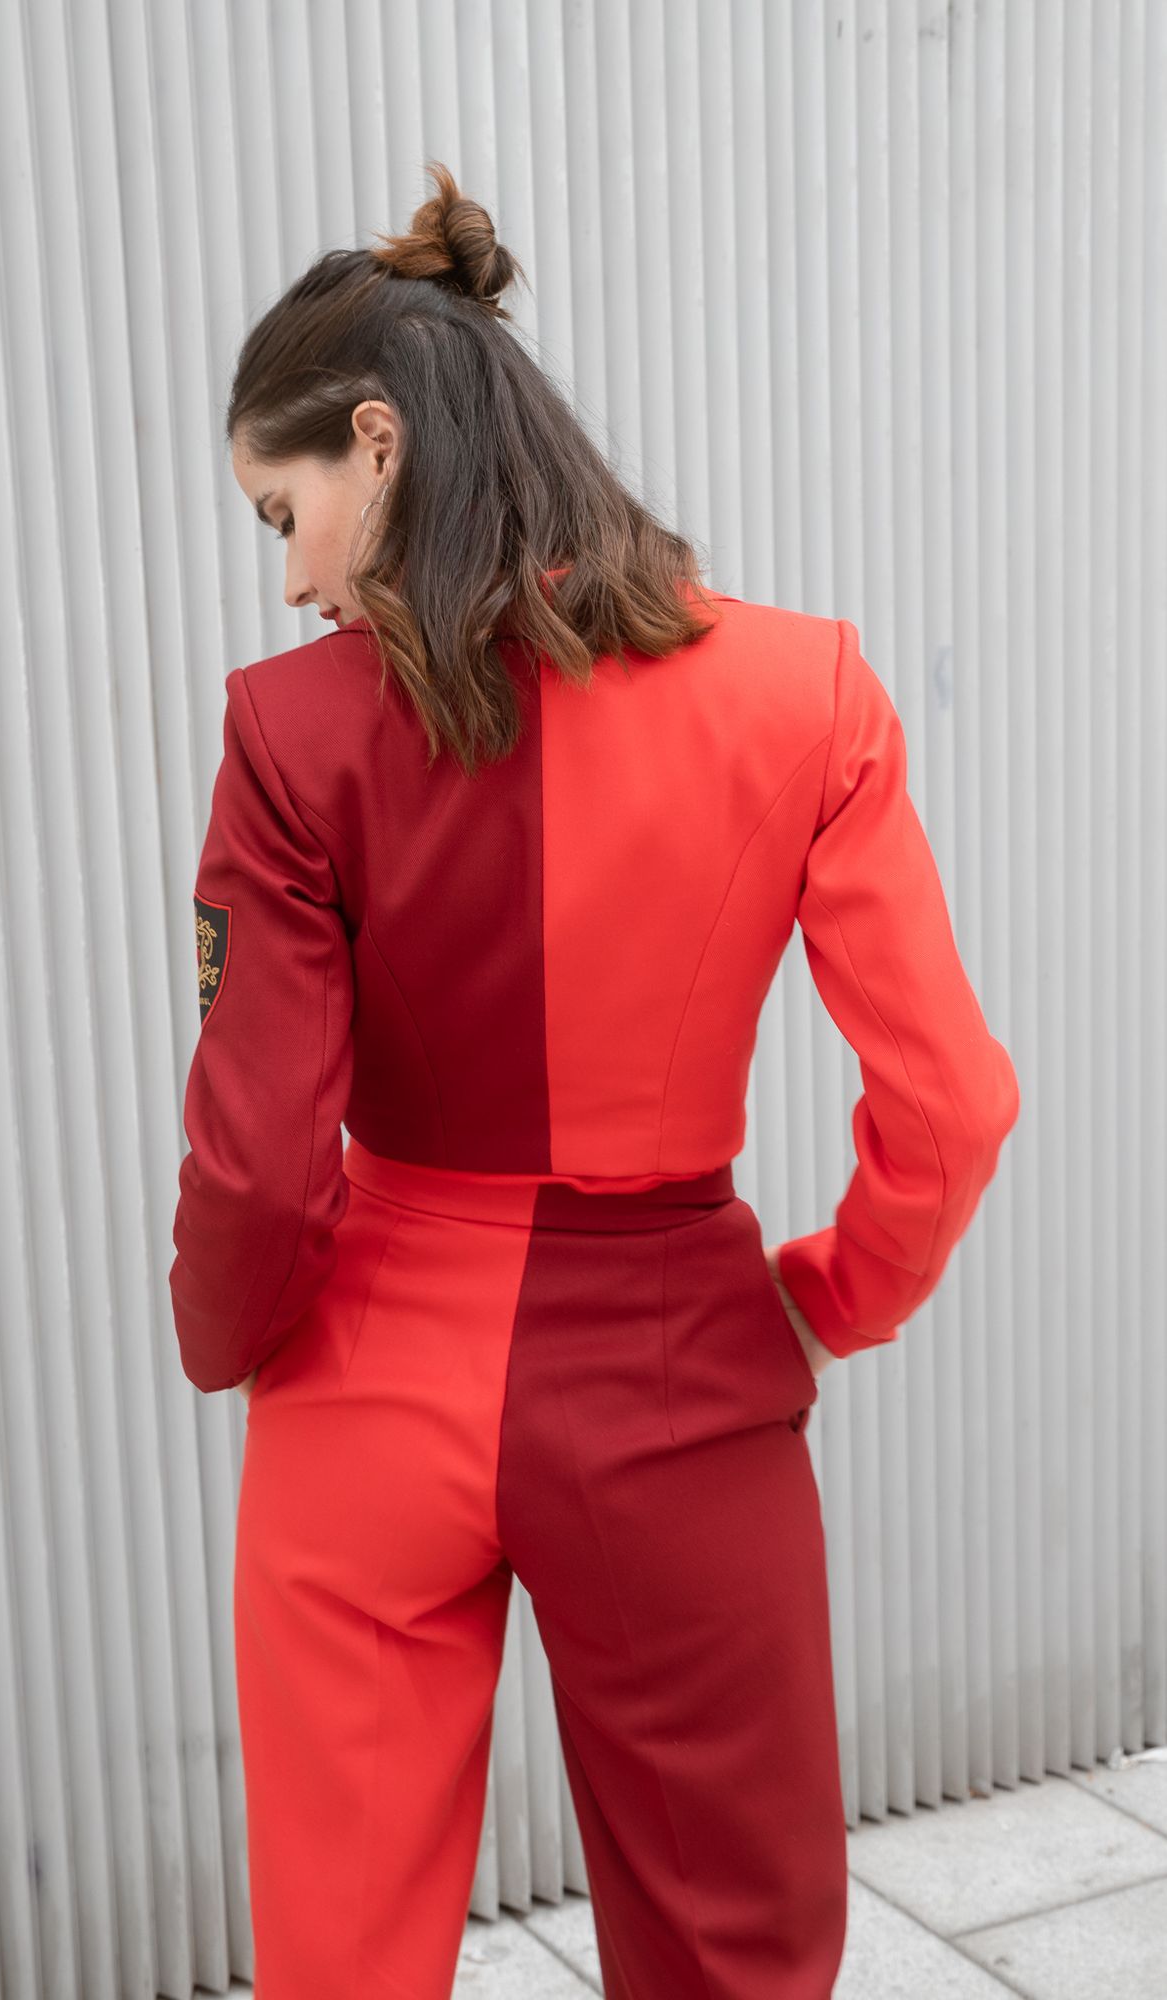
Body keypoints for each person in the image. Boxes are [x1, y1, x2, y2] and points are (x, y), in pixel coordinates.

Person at [169, 160, 1020, 2000]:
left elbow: (254, 1168)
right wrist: (822, 1301)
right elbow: (952, 1104)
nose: (291, 574)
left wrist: (232, 1342)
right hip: (675, 1364)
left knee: (341, 1961)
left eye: (282, 513)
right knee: (733, 1951)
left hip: (370, 1381)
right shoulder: (805, 694)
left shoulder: (287, 733)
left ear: (376, 443)